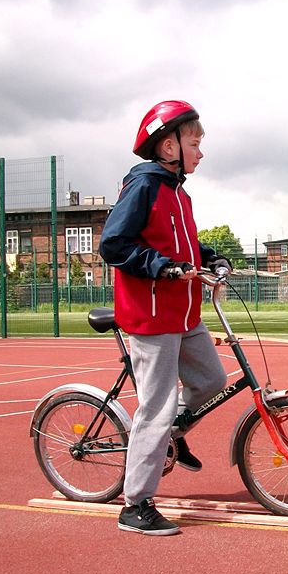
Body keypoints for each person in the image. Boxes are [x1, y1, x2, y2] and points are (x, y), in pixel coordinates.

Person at [99, 100, 232, 536]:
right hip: (151, 316)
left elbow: (187, 246)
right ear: (168, 145)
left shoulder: (179, 192)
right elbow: (114, 246)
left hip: (183, 311)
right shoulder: (143, 187)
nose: (200, 152)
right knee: (154, 409)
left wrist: (213, 258)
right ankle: (135, 505)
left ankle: (172, 431)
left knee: (212, 381)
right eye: (194, 143)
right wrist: (162, 267)